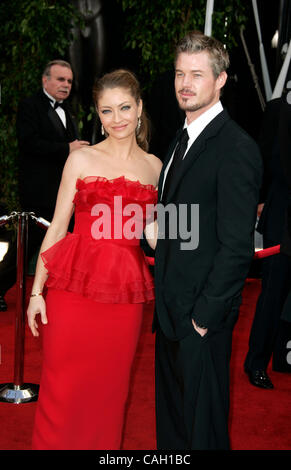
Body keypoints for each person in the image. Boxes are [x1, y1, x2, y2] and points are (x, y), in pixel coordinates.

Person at [27, 69, 162, 450]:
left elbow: (153, 233)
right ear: (97, 115)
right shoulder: (81, 159)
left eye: (124, 108)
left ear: (139, 108)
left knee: (109, 393)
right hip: (71, 295)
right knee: (62, 390)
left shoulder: (155, 167)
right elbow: (56, 228)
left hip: (123, 300)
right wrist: (37, 292)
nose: (116, 119)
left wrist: (201, 249)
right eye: (106, 111)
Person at [153, 32, 263, 450]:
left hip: (201, 319)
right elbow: (182, 222)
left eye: (196, 75)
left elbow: (237, 246)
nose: (185, 83)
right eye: (180, 73)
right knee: (175, 431)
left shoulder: (236, 147)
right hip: (169, 315)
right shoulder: (179, 140)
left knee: (204, 433)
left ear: (220, 79)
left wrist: (204, 317)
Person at [0, 59, 89, 311]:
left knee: (66, 244)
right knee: (25, 248)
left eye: (69, 81)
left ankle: (63, 293)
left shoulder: (68, 109)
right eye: (61, 79)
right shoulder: (30, 106)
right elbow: (28, 143)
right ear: (45, 80)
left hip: (64, 192)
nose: (66, 85)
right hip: (38, 193)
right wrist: (68, 148)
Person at [244, 94, 291, 388]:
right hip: (282, 217)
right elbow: (262, 159)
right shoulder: (277, 110)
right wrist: (258, 200)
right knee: (273, 292)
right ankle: (256, 362)